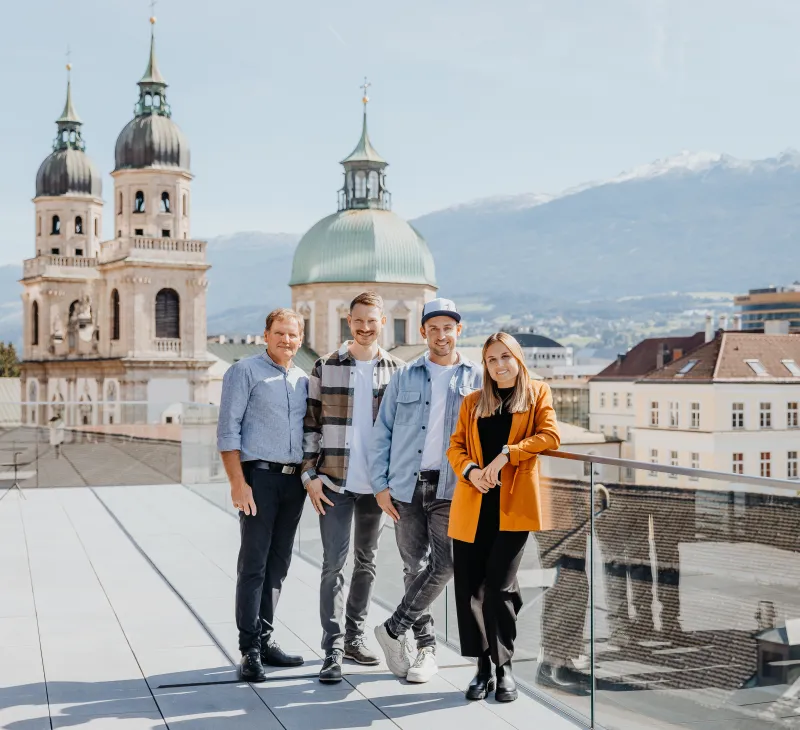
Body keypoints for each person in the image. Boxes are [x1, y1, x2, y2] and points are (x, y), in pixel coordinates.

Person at [370, 298, 482, 683]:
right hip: (405, 486)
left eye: (447, 327)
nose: (440, 335)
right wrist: (380, 486)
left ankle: (393, 629)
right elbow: (381, 431)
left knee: (446, 564)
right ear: (423, 332)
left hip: (452, 486)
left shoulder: (476, 378)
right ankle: (424, 649)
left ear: (458, 331)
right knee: (413, 567)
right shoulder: (404, 375)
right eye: (433, 328)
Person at [446, 332, 560, 702]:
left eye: (505, 357)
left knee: (499, 586)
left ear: (518, 358)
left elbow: (550, 436)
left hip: (513, 509)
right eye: (492, 360)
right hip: (473, 504)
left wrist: (508, 453)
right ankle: (481, 668)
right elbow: (456, 447)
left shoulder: (537, 392)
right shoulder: (474, 401)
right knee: (469, 590)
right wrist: (470, 472)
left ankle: (504, 666)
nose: (499, 365)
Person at [302, 292, 404, 683]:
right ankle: (332, 649)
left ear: (382, 322)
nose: (365, 328)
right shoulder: (325, 366)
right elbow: (310, 425)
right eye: (358, 321)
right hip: (334, 483)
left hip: (377, 488)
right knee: (333, 565)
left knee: (367, 562)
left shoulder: (398, 370)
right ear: (349, 322)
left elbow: (405, 433)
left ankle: (355, 636)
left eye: (372, 321)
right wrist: (309, 476)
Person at [217, 308, 309, 682]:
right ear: (266, 335)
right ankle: (249, 649)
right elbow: (227, 432)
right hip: (258, 478)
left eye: (293, 335)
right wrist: (238, 483)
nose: (286, 340)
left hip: (293, 483)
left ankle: (266, 639)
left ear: (300, 339)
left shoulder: (304, 379)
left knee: (279, 565)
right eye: (280, 333)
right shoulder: (244, 372)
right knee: (253, 565)